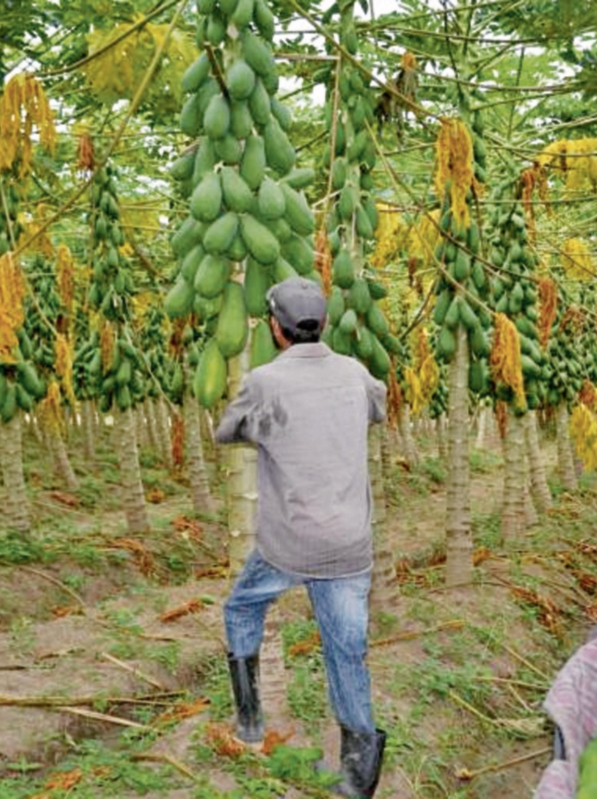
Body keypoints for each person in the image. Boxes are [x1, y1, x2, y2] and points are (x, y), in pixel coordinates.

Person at [214, 276, 388, 799]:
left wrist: (267, 430)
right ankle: (358, 775)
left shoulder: (265, 381)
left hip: (288, 545)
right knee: (346, 651)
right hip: (350, 545)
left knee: (241, 608)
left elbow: (227, 431)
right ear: (325, 323)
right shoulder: (356, 373)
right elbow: (378, 408)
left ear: (275, 327)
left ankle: (248, 722)